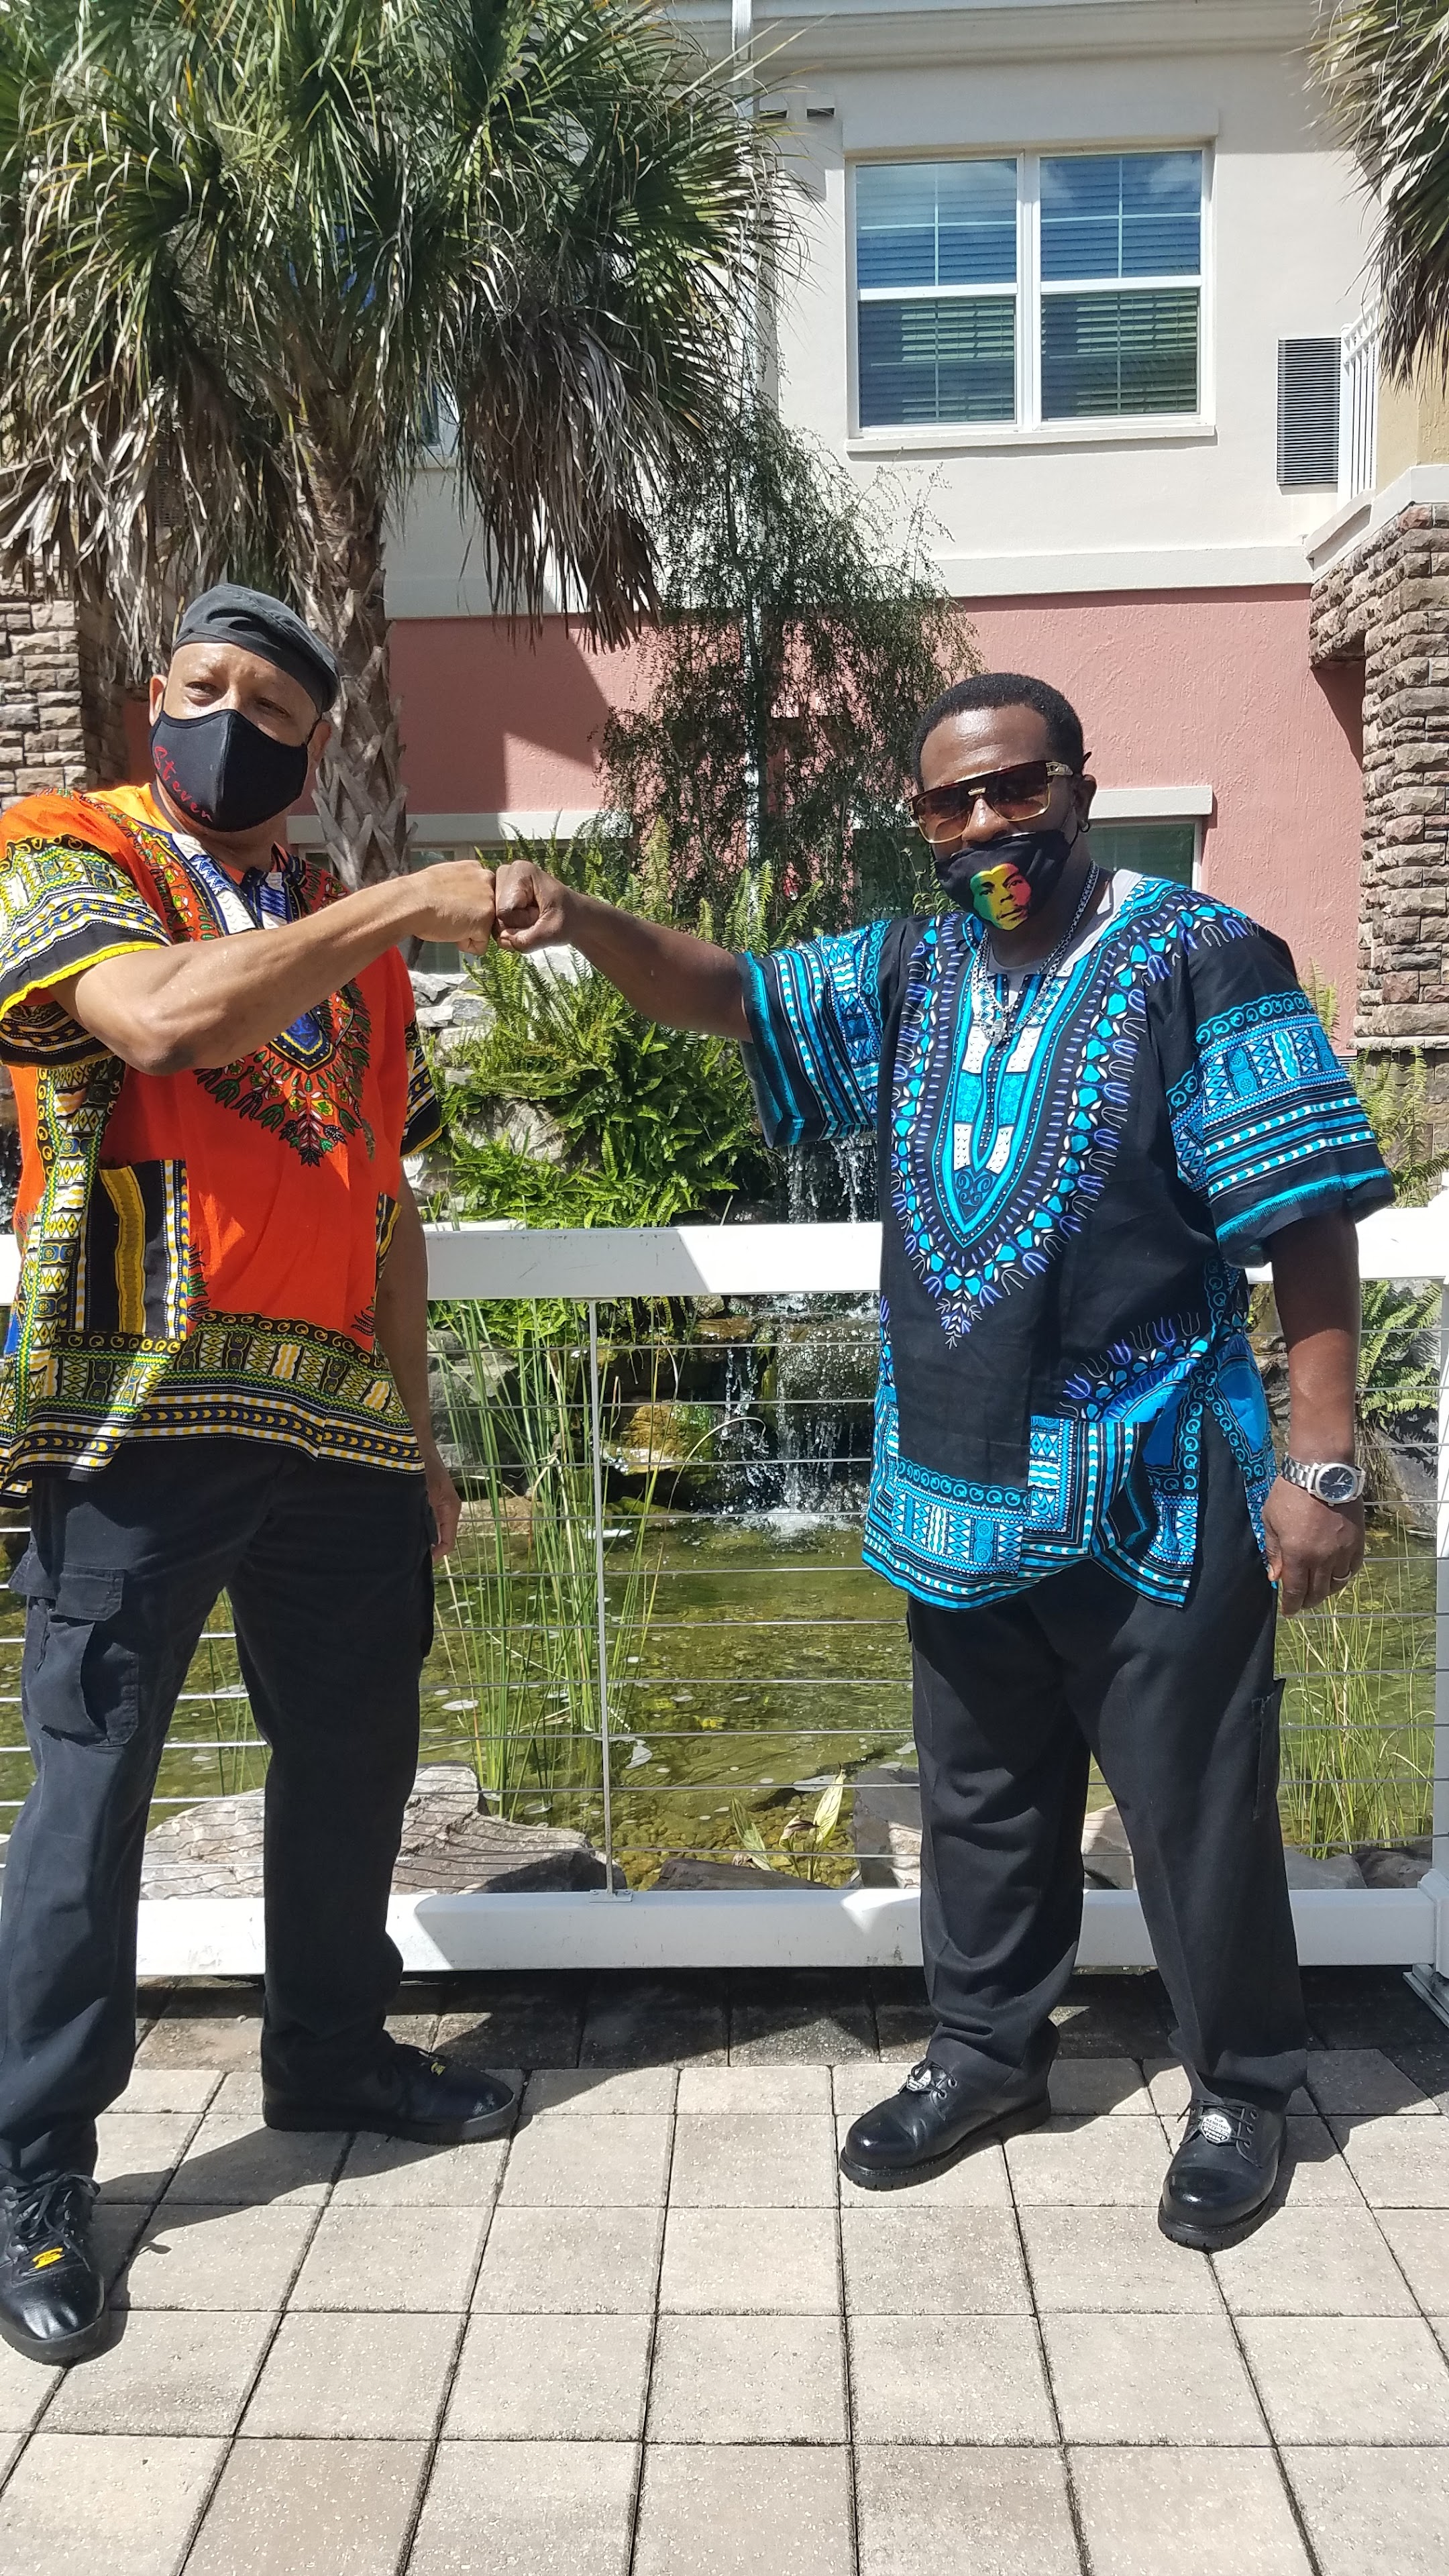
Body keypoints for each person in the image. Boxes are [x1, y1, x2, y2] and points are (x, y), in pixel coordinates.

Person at [493, 669, 1391, 2250]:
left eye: (1015, 789)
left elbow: (1303, 1214)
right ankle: (987, 2053)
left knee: (1196, 1800)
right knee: (979, 1799)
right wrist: (581, 914)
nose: (985, 823)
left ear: (1080, 787)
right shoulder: (913, 968)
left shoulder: (1204, 958)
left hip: (1153, 1480)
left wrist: (1324, 1462)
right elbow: (730, 993)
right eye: (950, 802)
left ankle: (1244, 2083)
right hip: (952, 1490)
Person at [0, 584, 507, 2367]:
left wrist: (427, 1441)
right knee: (95, 1786)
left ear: (314, 747)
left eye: (274, 708)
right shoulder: (67, 848)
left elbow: (391, 1206)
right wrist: (399, 896)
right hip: (130, 1395)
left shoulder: (340, 940)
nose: (232, 722)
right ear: (159, 700)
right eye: (205, 689)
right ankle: (35, 2164)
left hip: (340, 1417)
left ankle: (333, 2052)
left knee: (360, 1748)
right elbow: (156, 1025)